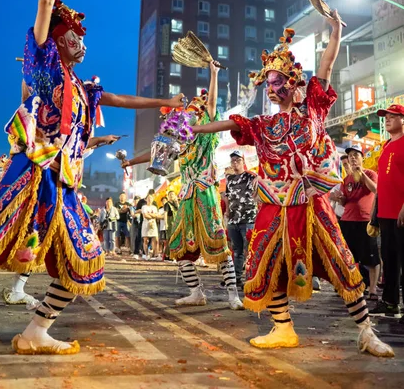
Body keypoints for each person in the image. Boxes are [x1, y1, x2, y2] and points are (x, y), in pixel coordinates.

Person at [0, 0, 185, 354]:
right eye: (75, 38)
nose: (82, 44)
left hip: (63, 183)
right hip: (32, 173)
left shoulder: (81, 87)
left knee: (85, 257)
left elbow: (121, 100)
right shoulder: (45, 67)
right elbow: (45, 4)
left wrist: (165, 102)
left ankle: (35, 332)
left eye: (82, 38)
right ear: (58, 42)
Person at [190, 18, 393, 357]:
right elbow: (226, 123)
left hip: (311, 204)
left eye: (277, 81)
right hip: (272, 206)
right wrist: (193, 130)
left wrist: (336, 31)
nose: (271, 88)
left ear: (292, 82)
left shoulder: (312, 109)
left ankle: (366, 332)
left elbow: (326, 65)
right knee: (266, 267)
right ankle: (282, 328)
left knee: (341, 262)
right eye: (268, 83)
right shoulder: (262, 124)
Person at [123, 62, 244, 310]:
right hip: (187, 196)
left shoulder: (207, 134)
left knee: (218, 244)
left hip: (206, 194)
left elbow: (211, 102)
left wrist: (214, 73)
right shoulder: (183, 142)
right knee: (177, 247)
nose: (193, 112)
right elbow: (156, 153)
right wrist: (130, 162)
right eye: (190, 110)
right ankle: (196, 292)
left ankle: (233, 295)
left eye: (197, 110)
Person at [370, 104, 404, 321]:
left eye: (393, 116)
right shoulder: (385, 146)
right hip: (385, 213)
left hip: (401, 213)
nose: (388, 119)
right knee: (389, 260)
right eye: (386, 117)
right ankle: (390, 303)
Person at [335, 145, 380, 300]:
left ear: (362, 157)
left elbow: (376, 190)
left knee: (371, 258)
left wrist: (361, 174)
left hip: (365, 221)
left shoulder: (370, 174)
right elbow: (344, 201)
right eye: (350, 156)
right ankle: (354, 286)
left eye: (355, 155)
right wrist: (338, 198)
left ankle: (373, 290)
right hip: (347, 221)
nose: (352, 158)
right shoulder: (346, 179)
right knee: (349, 258)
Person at [223, 151, 258, 290]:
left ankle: (251, 278)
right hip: (233, 220)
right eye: (233, 161)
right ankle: (236, 278)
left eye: (238, 160)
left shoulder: (251, 177)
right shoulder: (230, 180)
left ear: (243, 161)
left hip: (248, 218)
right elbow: (227, 197)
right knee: (236, 250)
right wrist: (227, 211)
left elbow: (260, 190)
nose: (235, 163)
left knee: (249, 250)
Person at [141, 194, 160, 259]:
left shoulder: (154, 207)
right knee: (145, 240)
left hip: (153, 224)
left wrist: (150, 214)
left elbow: (156, 215)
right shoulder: (144, 207)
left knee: (155, 239)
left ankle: (154, 254)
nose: (149, 199)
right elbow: (145, 215)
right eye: (148, 198)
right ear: (146, 199)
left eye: (151, 198)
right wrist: (152, 215)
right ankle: (146, 254)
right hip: (146, 224)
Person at [164, 190, 179, 260]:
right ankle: (168, 255)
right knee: (170, 239)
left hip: (176, 223)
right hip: (170, 224)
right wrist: (166, 223)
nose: (171, 196)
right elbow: (165, 214)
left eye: (173, 194)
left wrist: (177, 202)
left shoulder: (176, 204)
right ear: (168, 196)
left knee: (176, 239)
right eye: (170, 194)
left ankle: (174, 255)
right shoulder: (167, 204)